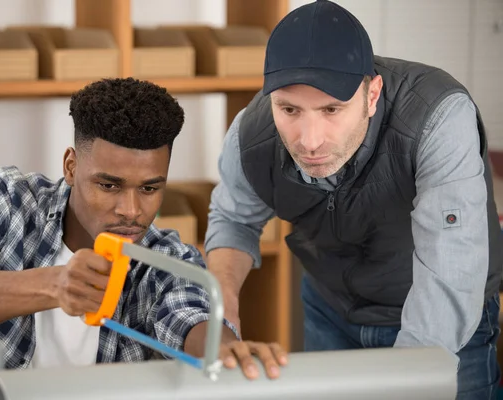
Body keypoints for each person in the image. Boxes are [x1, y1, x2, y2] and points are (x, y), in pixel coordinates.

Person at [204, 0, 502, 398]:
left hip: (439, 314)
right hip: (330, 310)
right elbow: (233, 220)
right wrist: (221, 310)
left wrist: (409, 380)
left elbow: (452, 265)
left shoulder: (438, 117)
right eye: (289, 109)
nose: (309, 142)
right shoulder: (251, 133)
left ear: (372, 93)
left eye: (332, 109)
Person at [0, 78, 287, 379]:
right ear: (71, 166)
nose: (132, 211)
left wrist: (223, 351)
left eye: (150, 188)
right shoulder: (4, 198)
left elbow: (190, 315)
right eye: (109, 185)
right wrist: (54, 284)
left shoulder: (167, 258)